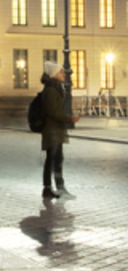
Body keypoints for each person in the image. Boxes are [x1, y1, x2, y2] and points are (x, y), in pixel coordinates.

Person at [39, 60, 79, 199]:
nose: (63, 74)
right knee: (52, 159)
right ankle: (50, 188)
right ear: (55, 74)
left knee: (56, 159)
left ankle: (57, 188)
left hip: (55, 130)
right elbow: (53, 112)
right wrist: (69, 118)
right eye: (61, 71)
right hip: (52, 130)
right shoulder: (51, 90)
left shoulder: (55, 88)